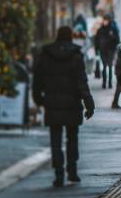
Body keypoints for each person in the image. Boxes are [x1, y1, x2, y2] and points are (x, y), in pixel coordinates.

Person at [34, 25, 96, 186]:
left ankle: (59, 173)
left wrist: (39, 99)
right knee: (72, 138)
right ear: (70, 37)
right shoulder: (76, 56)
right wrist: (89, 104)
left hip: (52, 103)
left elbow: (37, 79)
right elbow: (82, 82)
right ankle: (72, 171)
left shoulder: (46, 55)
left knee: (55, 140)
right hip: (72, 104)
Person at [93, 13, 121, 92]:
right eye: (104, 20)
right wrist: (97, 49)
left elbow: (117, 39)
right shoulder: (100, 29)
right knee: (105, 67)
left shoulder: (113, 28)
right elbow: (96, 40)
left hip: (110, 50)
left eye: (106, 20)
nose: (105, 21)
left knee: (109, 66)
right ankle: (104, 83)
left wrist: (114, 48)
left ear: (109, 20)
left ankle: (109, 83)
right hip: (103, 50)